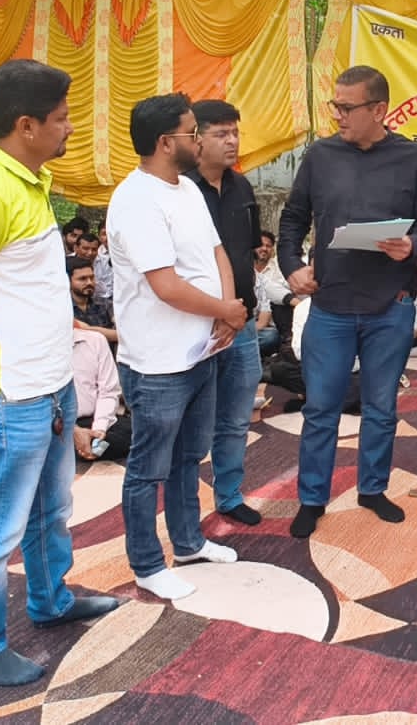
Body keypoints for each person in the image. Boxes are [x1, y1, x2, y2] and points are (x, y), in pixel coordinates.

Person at [0, 59, 118, 688]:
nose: (70, 129)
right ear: (27, 125)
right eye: (61, 119)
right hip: (8, 394)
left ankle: (50, 600)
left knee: (51, 509)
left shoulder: (31, 183)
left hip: (50, 383)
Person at [276, 65, 417, 538]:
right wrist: (291, 265)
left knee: (381, 408)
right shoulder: (320, 156)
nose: (339, 116)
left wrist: (412, 244)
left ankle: (373, 489)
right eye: (336, 106)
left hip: (390, 306)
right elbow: (293, 219)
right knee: (320, 410)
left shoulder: (414, 159)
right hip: (330, 305)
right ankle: (312, 498)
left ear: (378, 109)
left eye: (347, 108)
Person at [108, 93, 246, 600]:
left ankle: (188, 543)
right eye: (193, 132)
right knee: (148, 469)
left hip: (201, 349)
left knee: (190, 456)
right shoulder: (136, 200)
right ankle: (147, 563)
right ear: (166, 143)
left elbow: (217, 252)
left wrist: (227, 311)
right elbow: (165, 286)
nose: (200, 140)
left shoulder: (186, 189)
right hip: (158, 363)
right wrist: (224, 309)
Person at [187, 98, 267, 527]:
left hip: (244, 322)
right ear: (196, 138)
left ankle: (229, 494)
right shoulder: (180, 190)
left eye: (235, 132)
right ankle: (182, 507)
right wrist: (217, 308)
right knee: (192, 422)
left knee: (236, 417)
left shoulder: (242, 188)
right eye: (221, 134)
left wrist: (238, 310)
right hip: (195, 323)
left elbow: (247, 252)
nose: (232, 141)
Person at [71, 326, 128, 460]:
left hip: (94, 421)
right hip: (58, 426)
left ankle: (92, 449)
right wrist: (73, 430)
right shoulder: (34, 347)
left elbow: (109, 392)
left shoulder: (95, 340)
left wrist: (98, 431)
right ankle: (85, 449)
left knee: (137, 434)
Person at [254, 229, 297, 348]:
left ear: (272, 249)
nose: (264, 248)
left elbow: (286, 292)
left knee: (271, 337)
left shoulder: (280, 269)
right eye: (261, 245)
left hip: (273, 323)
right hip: (248, 321)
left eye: (268, 246)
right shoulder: (244, 269)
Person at [67, 255, 117, 345]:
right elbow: (86, 331)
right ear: (68, 281)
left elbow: (123, 328)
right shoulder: (63, 308)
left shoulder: (105, 304)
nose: (89, 282)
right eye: (82, 279)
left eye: (92, 277)